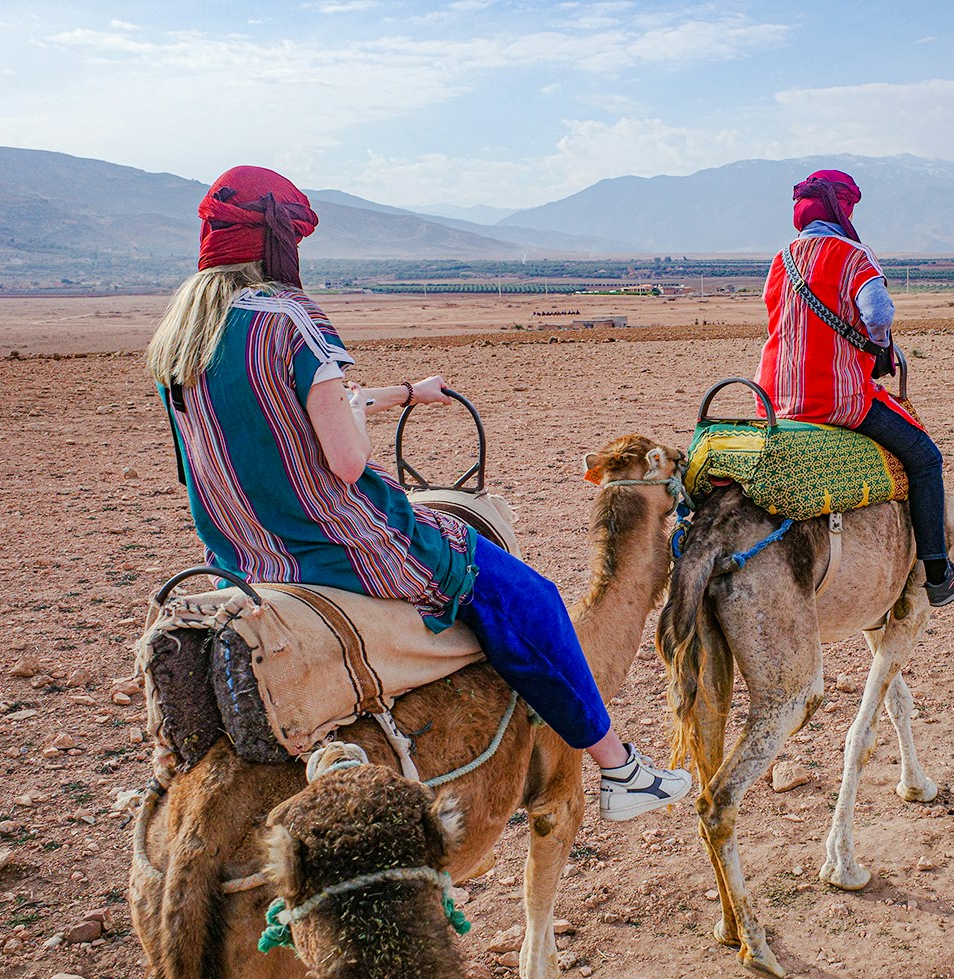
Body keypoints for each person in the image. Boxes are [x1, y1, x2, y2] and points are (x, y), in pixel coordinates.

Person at [145, 165, 689, 821]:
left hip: (247, 556)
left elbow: (263, 428)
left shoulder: (179, 336)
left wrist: (403, 394)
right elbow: (346, 461)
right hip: (338, 543)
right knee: (529, 599)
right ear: (277, 242)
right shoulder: (290, 319)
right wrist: (355, 423)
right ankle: (621, 770)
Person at [755, 169, 954, 606]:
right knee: (925, 459)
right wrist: (878, 345)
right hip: (835, 397)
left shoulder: (780, 258)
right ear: (841, 207)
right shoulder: (853, 255)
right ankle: (939, 575)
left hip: (774, 396)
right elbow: (878, 313)